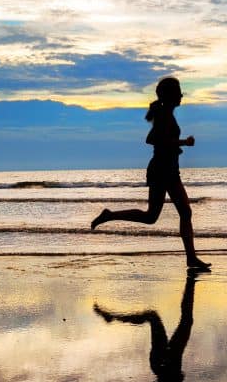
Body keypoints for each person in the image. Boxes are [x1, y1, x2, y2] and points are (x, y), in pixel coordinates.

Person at [90, 77, 210, 269]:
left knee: (185, 212)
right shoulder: (163, 114)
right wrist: (183, 143)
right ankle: (109, 215)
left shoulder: (168, 113)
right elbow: (152, 139)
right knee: (151, 216)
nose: (181, 96)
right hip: (161, 170)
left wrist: (176, 146)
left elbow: (162, 140)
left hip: (170, 170)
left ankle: (191, 258)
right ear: (170, 95)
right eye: (178, 92)